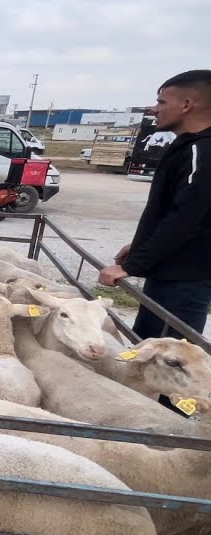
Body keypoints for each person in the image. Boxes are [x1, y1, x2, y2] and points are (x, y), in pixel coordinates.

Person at [100, 70, 211, 339]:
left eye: (162, 102)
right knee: (146, 345)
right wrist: (140, 246)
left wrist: (133, 265)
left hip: (182, 280)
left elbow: (186, 217)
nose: (154, 109)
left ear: (187, 104)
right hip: (170, 273)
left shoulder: (202, 151)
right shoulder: (188, 147)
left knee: (166, 359)